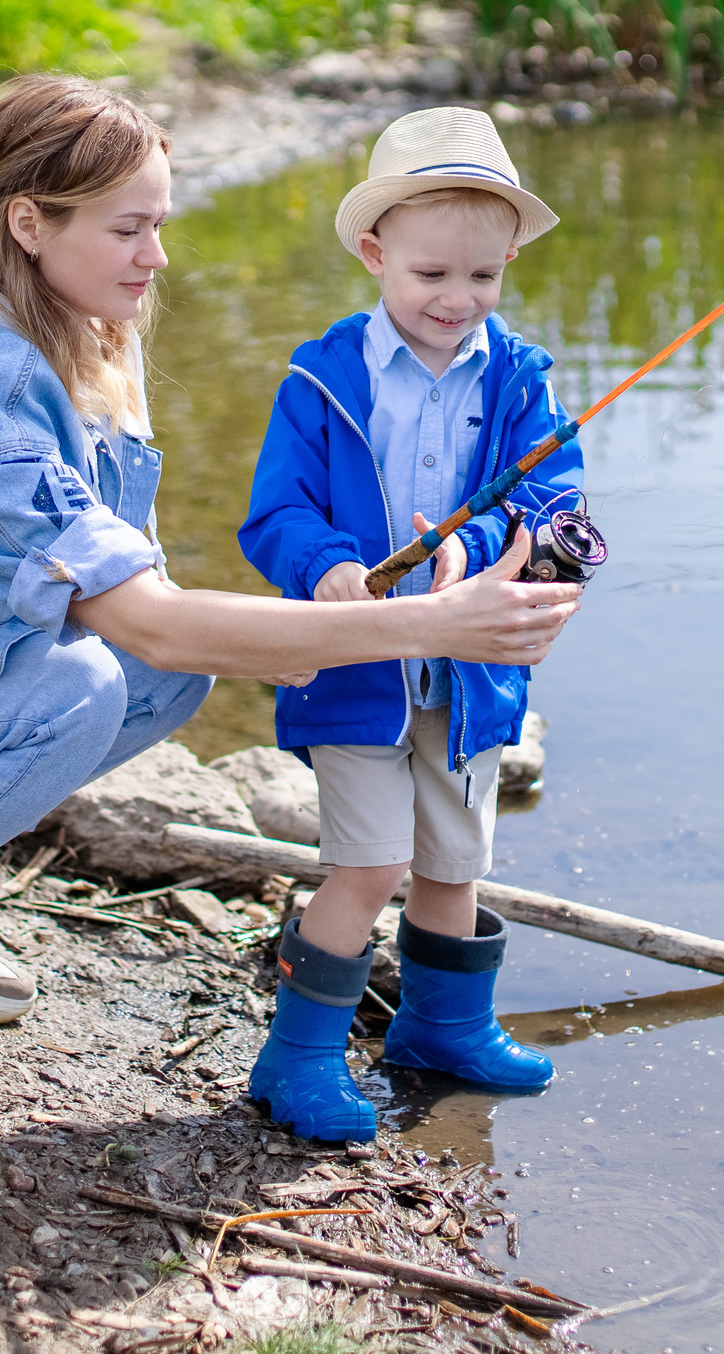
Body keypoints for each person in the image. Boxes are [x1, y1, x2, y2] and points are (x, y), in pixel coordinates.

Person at [0, 77, 581, 1104]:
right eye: (130, 229)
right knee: (89, 680)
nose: (157, 256)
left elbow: (144, 599)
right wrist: (423, 621)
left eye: (158, 224)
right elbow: (151, 618)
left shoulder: (66, 324)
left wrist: (447, 585)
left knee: (165, 683)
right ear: (29, 223)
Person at [235, 106, 585, 1143]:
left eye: (482, 278)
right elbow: (275, 513)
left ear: (510, 260)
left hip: (470, 674)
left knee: (453, 861)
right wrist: (327, 565)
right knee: (368, 865)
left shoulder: (521, 381)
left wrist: (474, 555)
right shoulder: (319, 378)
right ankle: (294, 1059)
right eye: (431, 275)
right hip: (352, 671)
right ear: (373, 253)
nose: (457, 299)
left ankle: (442, 1029)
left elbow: (558, 511)